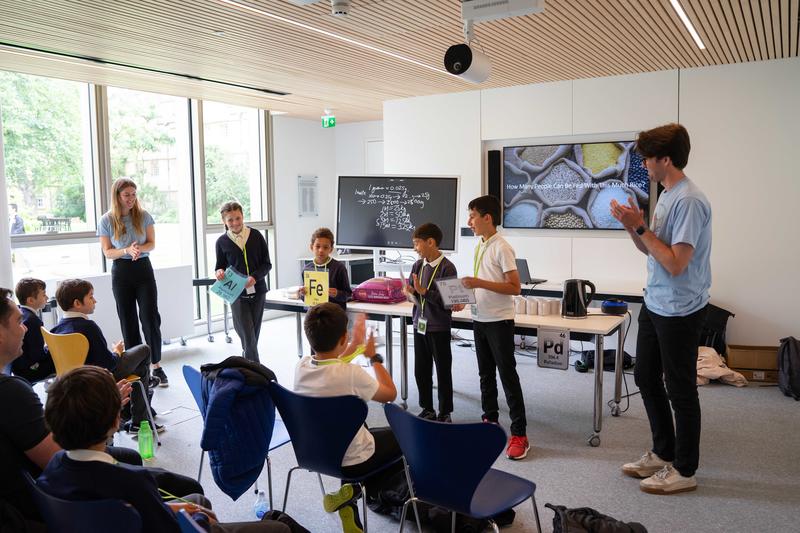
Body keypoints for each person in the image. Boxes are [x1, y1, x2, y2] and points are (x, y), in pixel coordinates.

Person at [0, 288, 201, 532]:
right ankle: (141, 412)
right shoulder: (11, 392)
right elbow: (60, 458)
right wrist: (103, 408)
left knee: (132, 458)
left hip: (45, 488)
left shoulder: (49, 336)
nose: (25, 327)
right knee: (193, 494)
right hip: (58, 501)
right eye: (19, 321)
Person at [38, 366, 291, 533]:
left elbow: (130, 514)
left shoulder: (53, 469)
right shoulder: (133, 480)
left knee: (196, 500)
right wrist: (201, 521)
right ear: (116, 421)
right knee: (280, 528)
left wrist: (173, 509)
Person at [611, 123, 711, 495]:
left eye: (647, 158)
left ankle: (684, 469)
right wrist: (631, 227)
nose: (644, 165)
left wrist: (640, 227)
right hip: (655, 303)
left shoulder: (689, 200)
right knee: (645, 377)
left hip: (681, 309)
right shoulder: (667, 194)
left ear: (665, 159)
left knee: (680, 389)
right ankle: (662, 452)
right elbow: (650, 249)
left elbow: (675, 263)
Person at [294, 303, 402, 533]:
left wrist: (353, 345)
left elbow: (331, 362)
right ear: (343, 337)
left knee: (352, 430)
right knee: (403, 437)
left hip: (314, 454)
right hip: (353, 461)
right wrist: (374, 358)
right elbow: (390, 394)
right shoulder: (352, 375)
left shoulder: (301, 366)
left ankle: (349, 503)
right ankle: (357, 489)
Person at [461, 195, 529, 460]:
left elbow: (515, 287)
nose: (470, 222)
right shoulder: (480, 245)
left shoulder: (502, 247)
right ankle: (490, 422)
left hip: (499, 321)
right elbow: (481, 282)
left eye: (473, 216)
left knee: (507, 377)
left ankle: (520, 434)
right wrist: (465, 300)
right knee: (485, 375)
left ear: (487, 217)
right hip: (480, 318)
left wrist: (479, 283)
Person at [50, 279, 162, 434]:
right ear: (77, 303)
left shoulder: (56, 329)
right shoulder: (89, 327)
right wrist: (116, 351)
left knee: (141, 370)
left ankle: (137, 409)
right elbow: (110, 364)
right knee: (144, 350)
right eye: (90, 297)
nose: (95, 300)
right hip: (100, 377)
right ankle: (139, 420)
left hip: (72, 379)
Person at [98, 178, 168, 386]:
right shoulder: (107, 220)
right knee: (127, 320)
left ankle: (156, 365)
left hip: (143, 269)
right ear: (117, 196)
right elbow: (107, 251)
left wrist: (138, 249)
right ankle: (139, 369)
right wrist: (127, 250)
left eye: (134, 194)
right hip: (121, 271)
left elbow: (152, 243)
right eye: (127, 195)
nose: (131, 198)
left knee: (149, 317)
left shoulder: (144, 216)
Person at [403, 223, 463, 423]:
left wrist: (424, 292)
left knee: (442, 370)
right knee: (421, 369)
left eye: (417, 243)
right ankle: (427, 408)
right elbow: (415, 293)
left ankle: (445, 412)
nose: (415, 248)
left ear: (431, 242)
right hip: (419, 324)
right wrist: (410, 293)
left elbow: (451, 303)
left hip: (439, 327)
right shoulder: (417, 266)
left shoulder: (447, 267)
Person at [214, 201, 272, 363]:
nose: (235, 223)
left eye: (238, 218)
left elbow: (267, 264)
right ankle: (256, 369)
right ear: (224, 221)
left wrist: (254, 277)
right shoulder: (221, 242)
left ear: (243, 216)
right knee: (247, 333)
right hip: (236, 293)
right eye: (230, 220)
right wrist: (218, 272)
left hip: (258, 290)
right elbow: (220, 266)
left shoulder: (256, 236)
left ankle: (247, 364)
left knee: (252, 335)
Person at [12, 278, 55, 382]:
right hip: (29, 371)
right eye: (44, 295)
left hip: (18, 368)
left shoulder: (22, 313)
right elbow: (37, 355)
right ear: (31, 300)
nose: (47, 297)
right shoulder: (33, 321)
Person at [298, 227, 352, 311]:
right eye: (317, 246)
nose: (321, 250)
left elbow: (348, 295)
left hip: (334, 315)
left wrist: (337, 293)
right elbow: (306, 297)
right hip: (314, 314)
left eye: (325, 247)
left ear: (331, 249)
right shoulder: (307, 269)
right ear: (311, 247)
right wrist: (302, 294)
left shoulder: (339, 268)